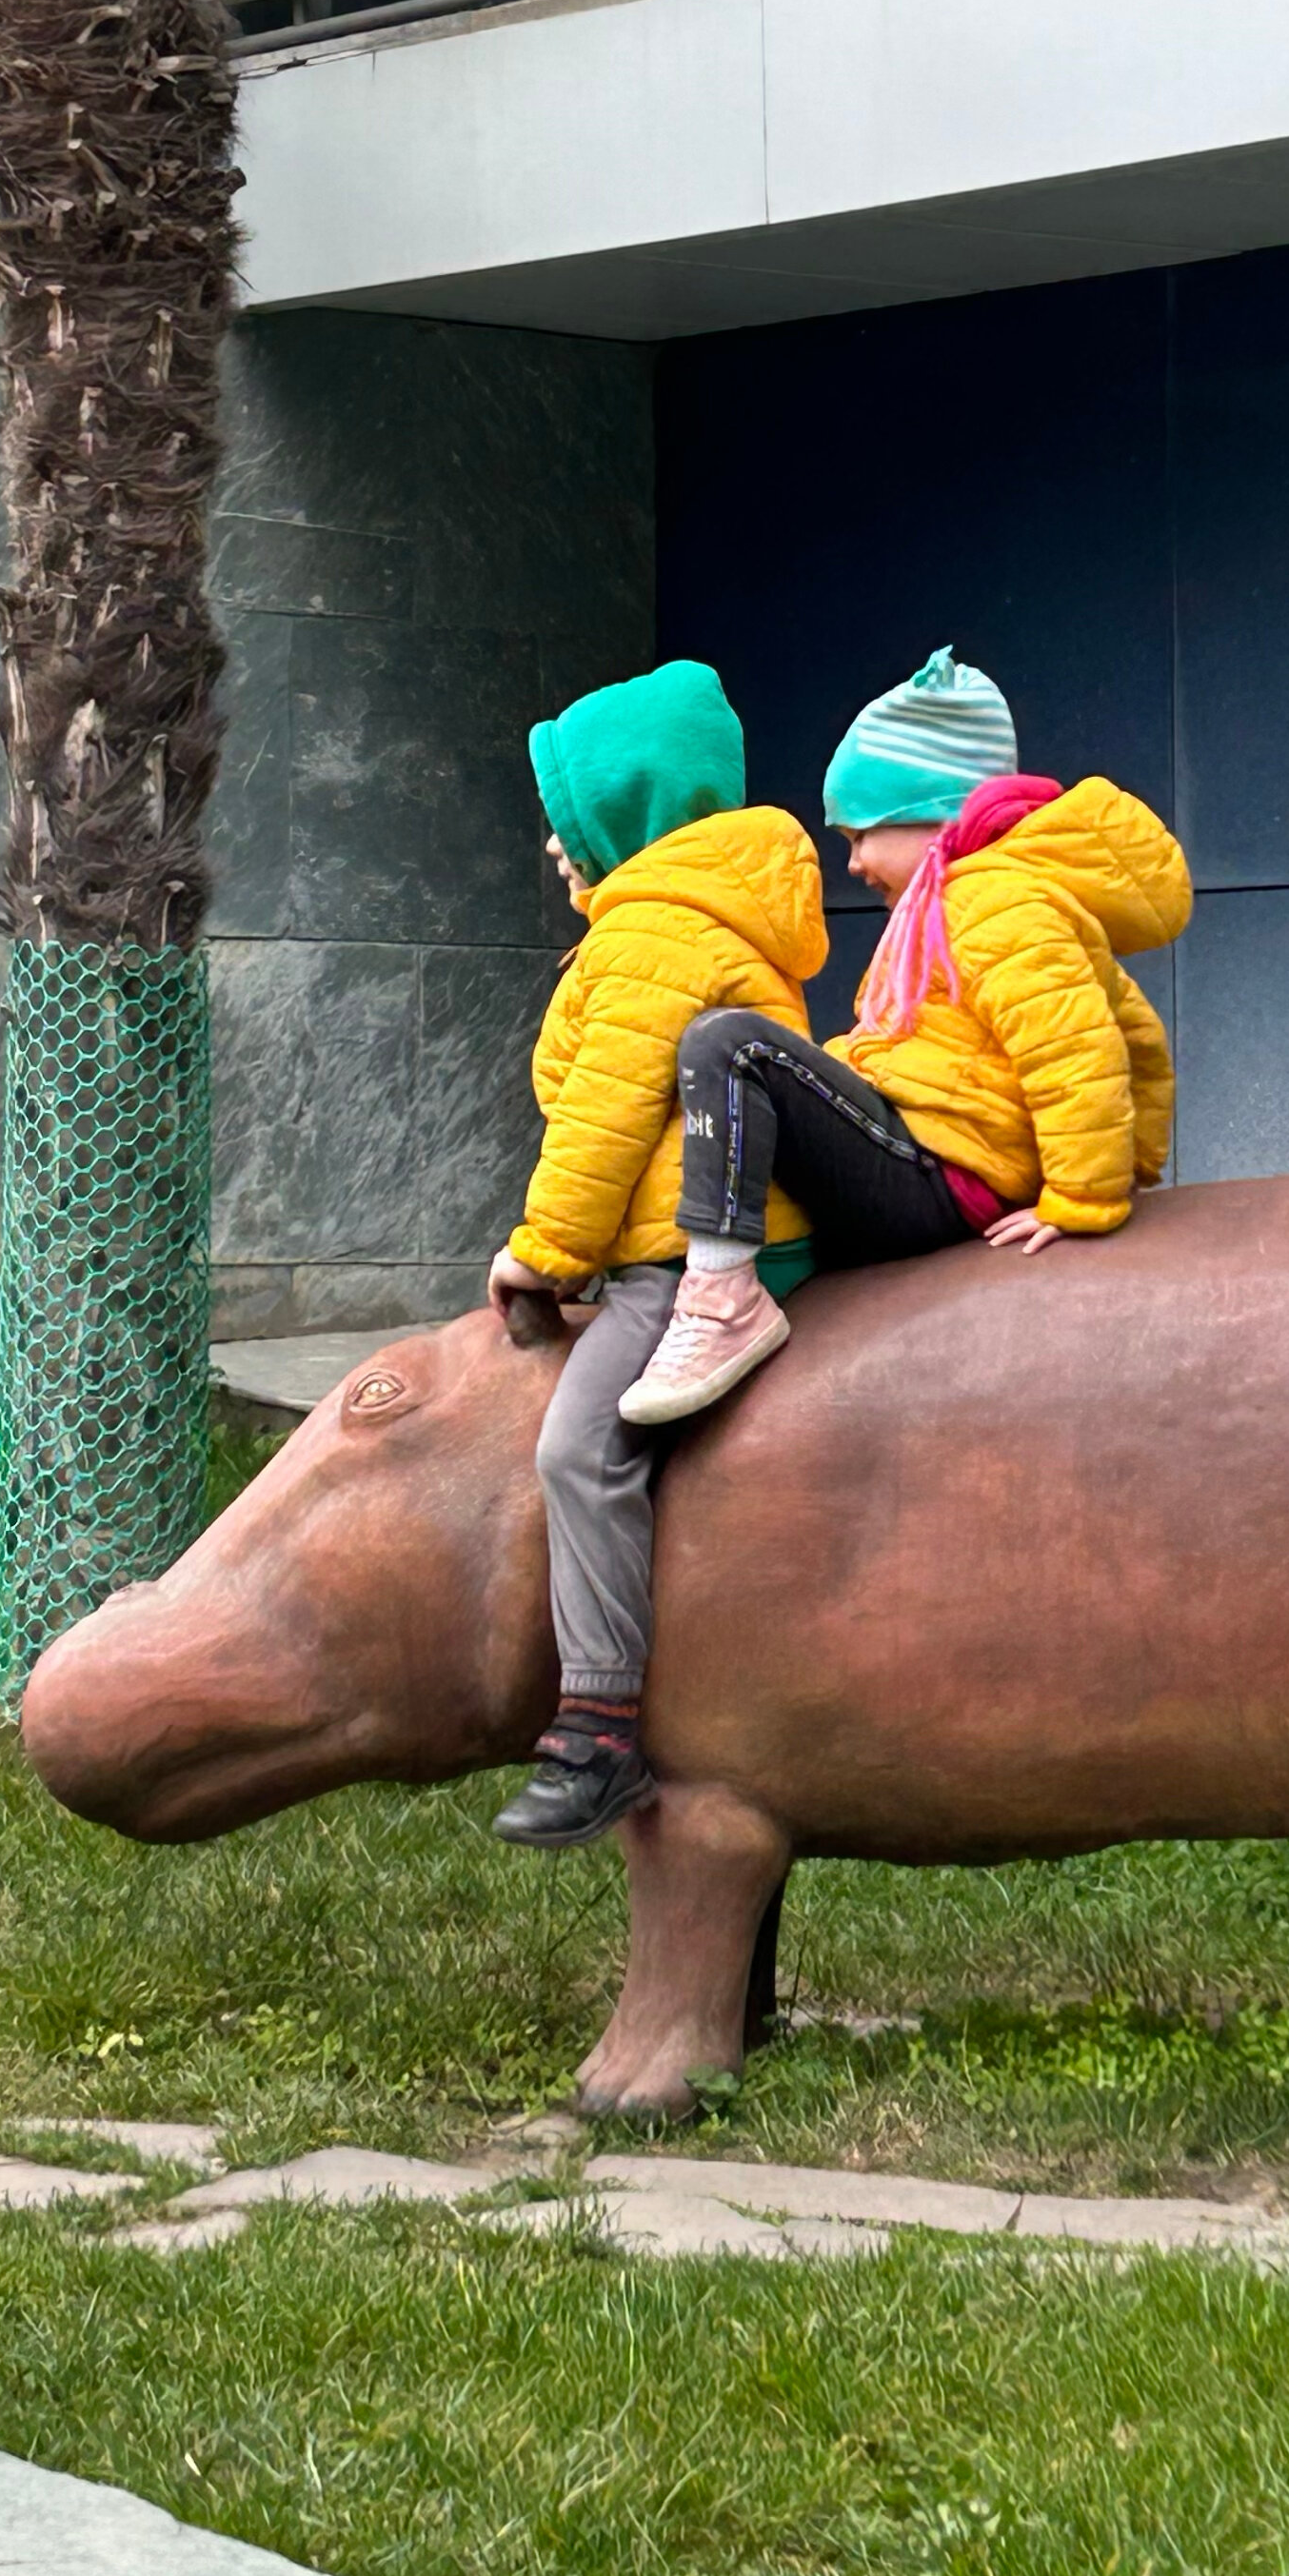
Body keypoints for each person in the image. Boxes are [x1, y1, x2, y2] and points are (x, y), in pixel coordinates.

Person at [618, 645, 1191, 1428]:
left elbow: (1075, 1048)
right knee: (780, 1063)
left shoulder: (994, 904)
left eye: (861, 835)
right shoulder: (984, 899)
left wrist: (1087, 1197)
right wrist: (1138, 1165)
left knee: (730, 1044)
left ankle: (721, 1303)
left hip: (942, 1175)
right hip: (934, 1153)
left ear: (936, 816)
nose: (851, 863)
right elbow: (1139, 1037)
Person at [487, 658, 824, 1848]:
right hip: (683, 1236)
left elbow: (608, 1111)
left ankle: (598, 1732)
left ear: (624, 816)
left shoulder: (655, 931)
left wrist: (545, 1252)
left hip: (681, 1261)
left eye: (564, 823)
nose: (552, 850)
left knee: (581, 1451)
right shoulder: (698, 913)